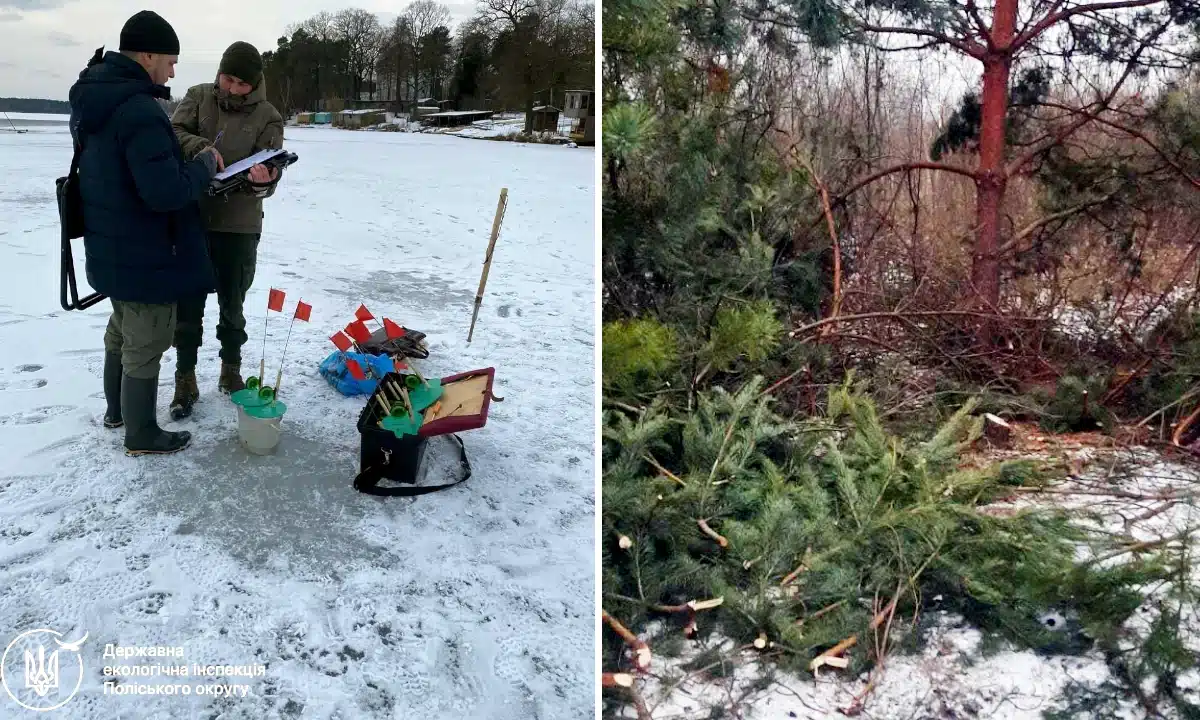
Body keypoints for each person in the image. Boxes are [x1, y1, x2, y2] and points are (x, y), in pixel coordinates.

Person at [68, 10, 224, 455]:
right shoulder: (138, 110)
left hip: (113, 243)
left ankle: (117, 413)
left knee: (122, 327)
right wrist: (202, 166)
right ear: (148, 53)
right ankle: (141, 434)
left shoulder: (97, 99)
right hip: (145, 249)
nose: (173, 70)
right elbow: (165, 192)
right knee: (149, 337)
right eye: (170, 60)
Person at [169, 41, 284, 419]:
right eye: (227, 78)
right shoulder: (198, 97)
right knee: (188, 305)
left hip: (239, 225)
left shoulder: (269, 116)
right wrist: (202, 148)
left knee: (233, 305)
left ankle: (230, 370)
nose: (232, 88)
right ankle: (184, 377)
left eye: (241, 83)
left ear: (255, 84)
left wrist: (263, 181)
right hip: (193, 219)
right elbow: (172, 133)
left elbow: (273, 171)